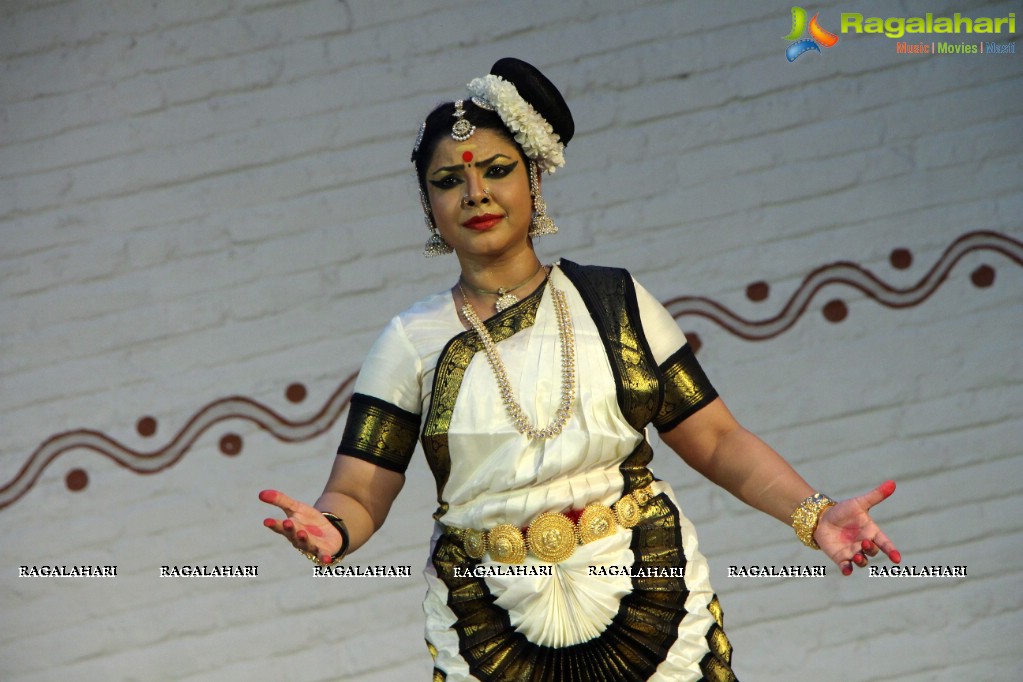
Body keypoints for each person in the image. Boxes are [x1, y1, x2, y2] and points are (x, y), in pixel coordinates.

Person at [260, 58, 901, 681]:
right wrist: (334, 527)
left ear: (533, 182)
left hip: (646, 587)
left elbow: (715, 437)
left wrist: (813, 514)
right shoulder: (411, 342)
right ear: (430, 207)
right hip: (487, 612)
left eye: (497, 170)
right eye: (449, 181)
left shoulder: (614, 301)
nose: (475, 192)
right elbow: (361, 486)